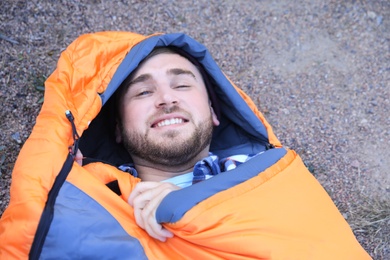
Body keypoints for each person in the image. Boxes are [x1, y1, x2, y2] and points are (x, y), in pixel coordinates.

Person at [0, 32, 371, 259]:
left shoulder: (271, 176)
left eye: (182, 85)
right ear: (116, 128)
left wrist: (186, 208)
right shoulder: (91, 193)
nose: (166, 99)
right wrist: (64, 186)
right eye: (143, 91)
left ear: (213, 111)